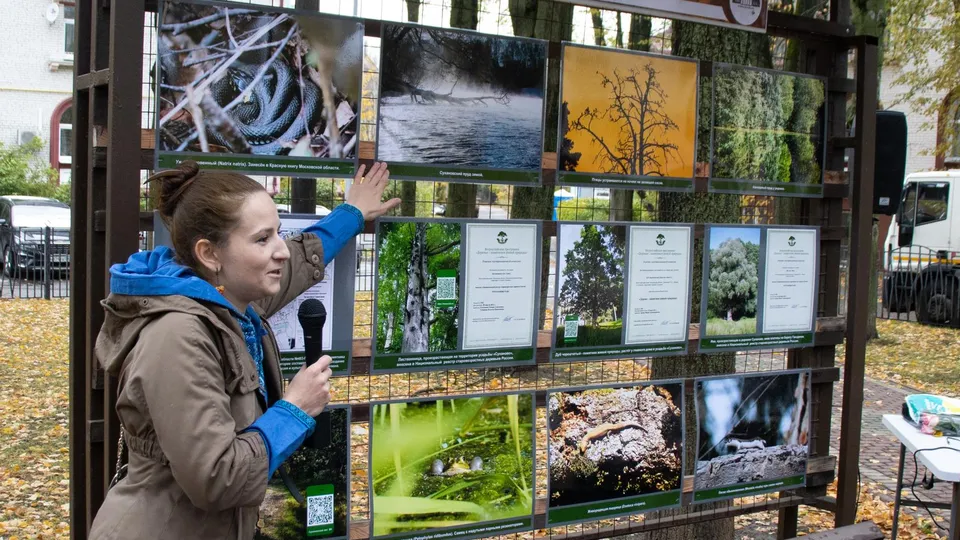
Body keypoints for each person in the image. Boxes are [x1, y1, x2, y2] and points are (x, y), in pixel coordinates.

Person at [88, 161, 399, 539]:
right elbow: (216, 478)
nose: (281, 250)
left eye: (278, 233)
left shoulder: (231, 301)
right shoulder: (177, 336)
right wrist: (295, 409)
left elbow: (303, 259)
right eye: (262, 239)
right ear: (209, 254)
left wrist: (353, 212)